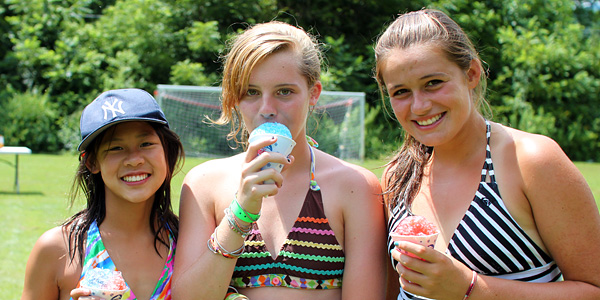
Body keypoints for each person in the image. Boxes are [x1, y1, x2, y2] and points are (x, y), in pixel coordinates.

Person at [374, 9, 600, 300]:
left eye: (433, 83)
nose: (419, 106)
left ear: (471, 74)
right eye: (401, 92)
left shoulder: (530, 160)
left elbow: (594, 289)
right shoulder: (400, 176)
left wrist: (472, 289)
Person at [173, 21, 387, 300]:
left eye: (284, 91)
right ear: (235, 99)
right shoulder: (204, 184)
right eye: (251, 92)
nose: (267, 109)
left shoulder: (356, 186)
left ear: (314, 93)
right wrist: (241, 212)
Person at [21, 88, 184, 300]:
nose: (134, 159)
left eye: (146, 144)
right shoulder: (57, 250)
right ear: (92, 162)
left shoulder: (188, 244)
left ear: (166, 151)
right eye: (116, 148)